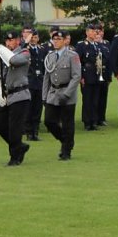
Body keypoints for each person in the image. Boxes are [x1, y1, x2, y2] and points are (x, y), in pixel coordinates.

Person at [0, 31, 32, 166]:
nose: (9, 43)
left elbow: (13, 60)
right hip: (7, 95)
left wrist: (0, 48)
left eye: (12, 40)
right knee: (1, 125)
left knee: (15, 128)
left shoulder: (25, 53)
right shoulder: (2, 55)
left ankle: (15, 157)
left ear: (18, 41)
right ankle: (19, 146)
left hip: (20, 95)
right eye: (7, 41)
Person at [42, 30, 81, 160]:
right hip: (53, 93)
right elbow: (47, 77)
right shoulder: (50, 56)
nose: (56, 41)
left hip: (66, 93)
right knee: (49, 121)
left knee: (67, 123)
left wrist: (67, 94)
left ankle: (66, 151)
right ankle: (66, 141)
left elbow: (76, 76)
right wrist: (44, 96)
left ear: (65, 40)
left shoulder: (72, 55)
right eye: (54, 39)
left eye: (59, 39)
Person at [25, 29, 45, 141]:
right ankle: (28, 132)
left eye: (35, 37)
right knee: (29, 108)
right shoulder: (26, 49)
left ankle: (35, 132)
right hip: (30, 81)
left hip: (40, 82)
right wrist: (26, 40)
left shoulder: (42, 49)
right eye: (32, 37)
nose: (33, 39)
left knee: (38, 108)